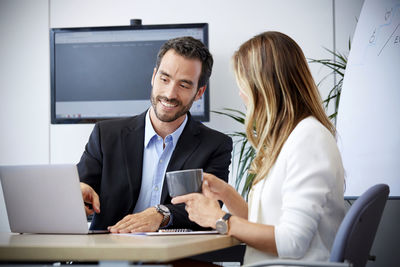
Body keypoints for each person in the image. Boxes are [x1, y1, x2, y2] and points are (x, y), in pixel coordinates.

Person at [172, 31, 345, 265]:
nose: (241, 95)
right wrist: (227, 194)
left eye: (242, 85)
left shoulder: (309, 139)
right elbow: (266, 227)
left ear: (263, 88)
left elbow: (291, 242)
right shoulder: (291, 138)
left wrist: (218, 218)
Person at [78, 36, 233, 233]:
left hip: (177, 258)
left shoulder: (216, 145)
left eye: (184, 85)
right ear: (153, 77)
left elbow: (210, 208)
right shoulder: (106, 135)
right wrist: (78, 193)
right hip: (109, 253)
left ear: (199, 92)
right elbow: (80, 188)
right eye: (164, 79)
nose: (170, 93)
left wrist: (162, 214)